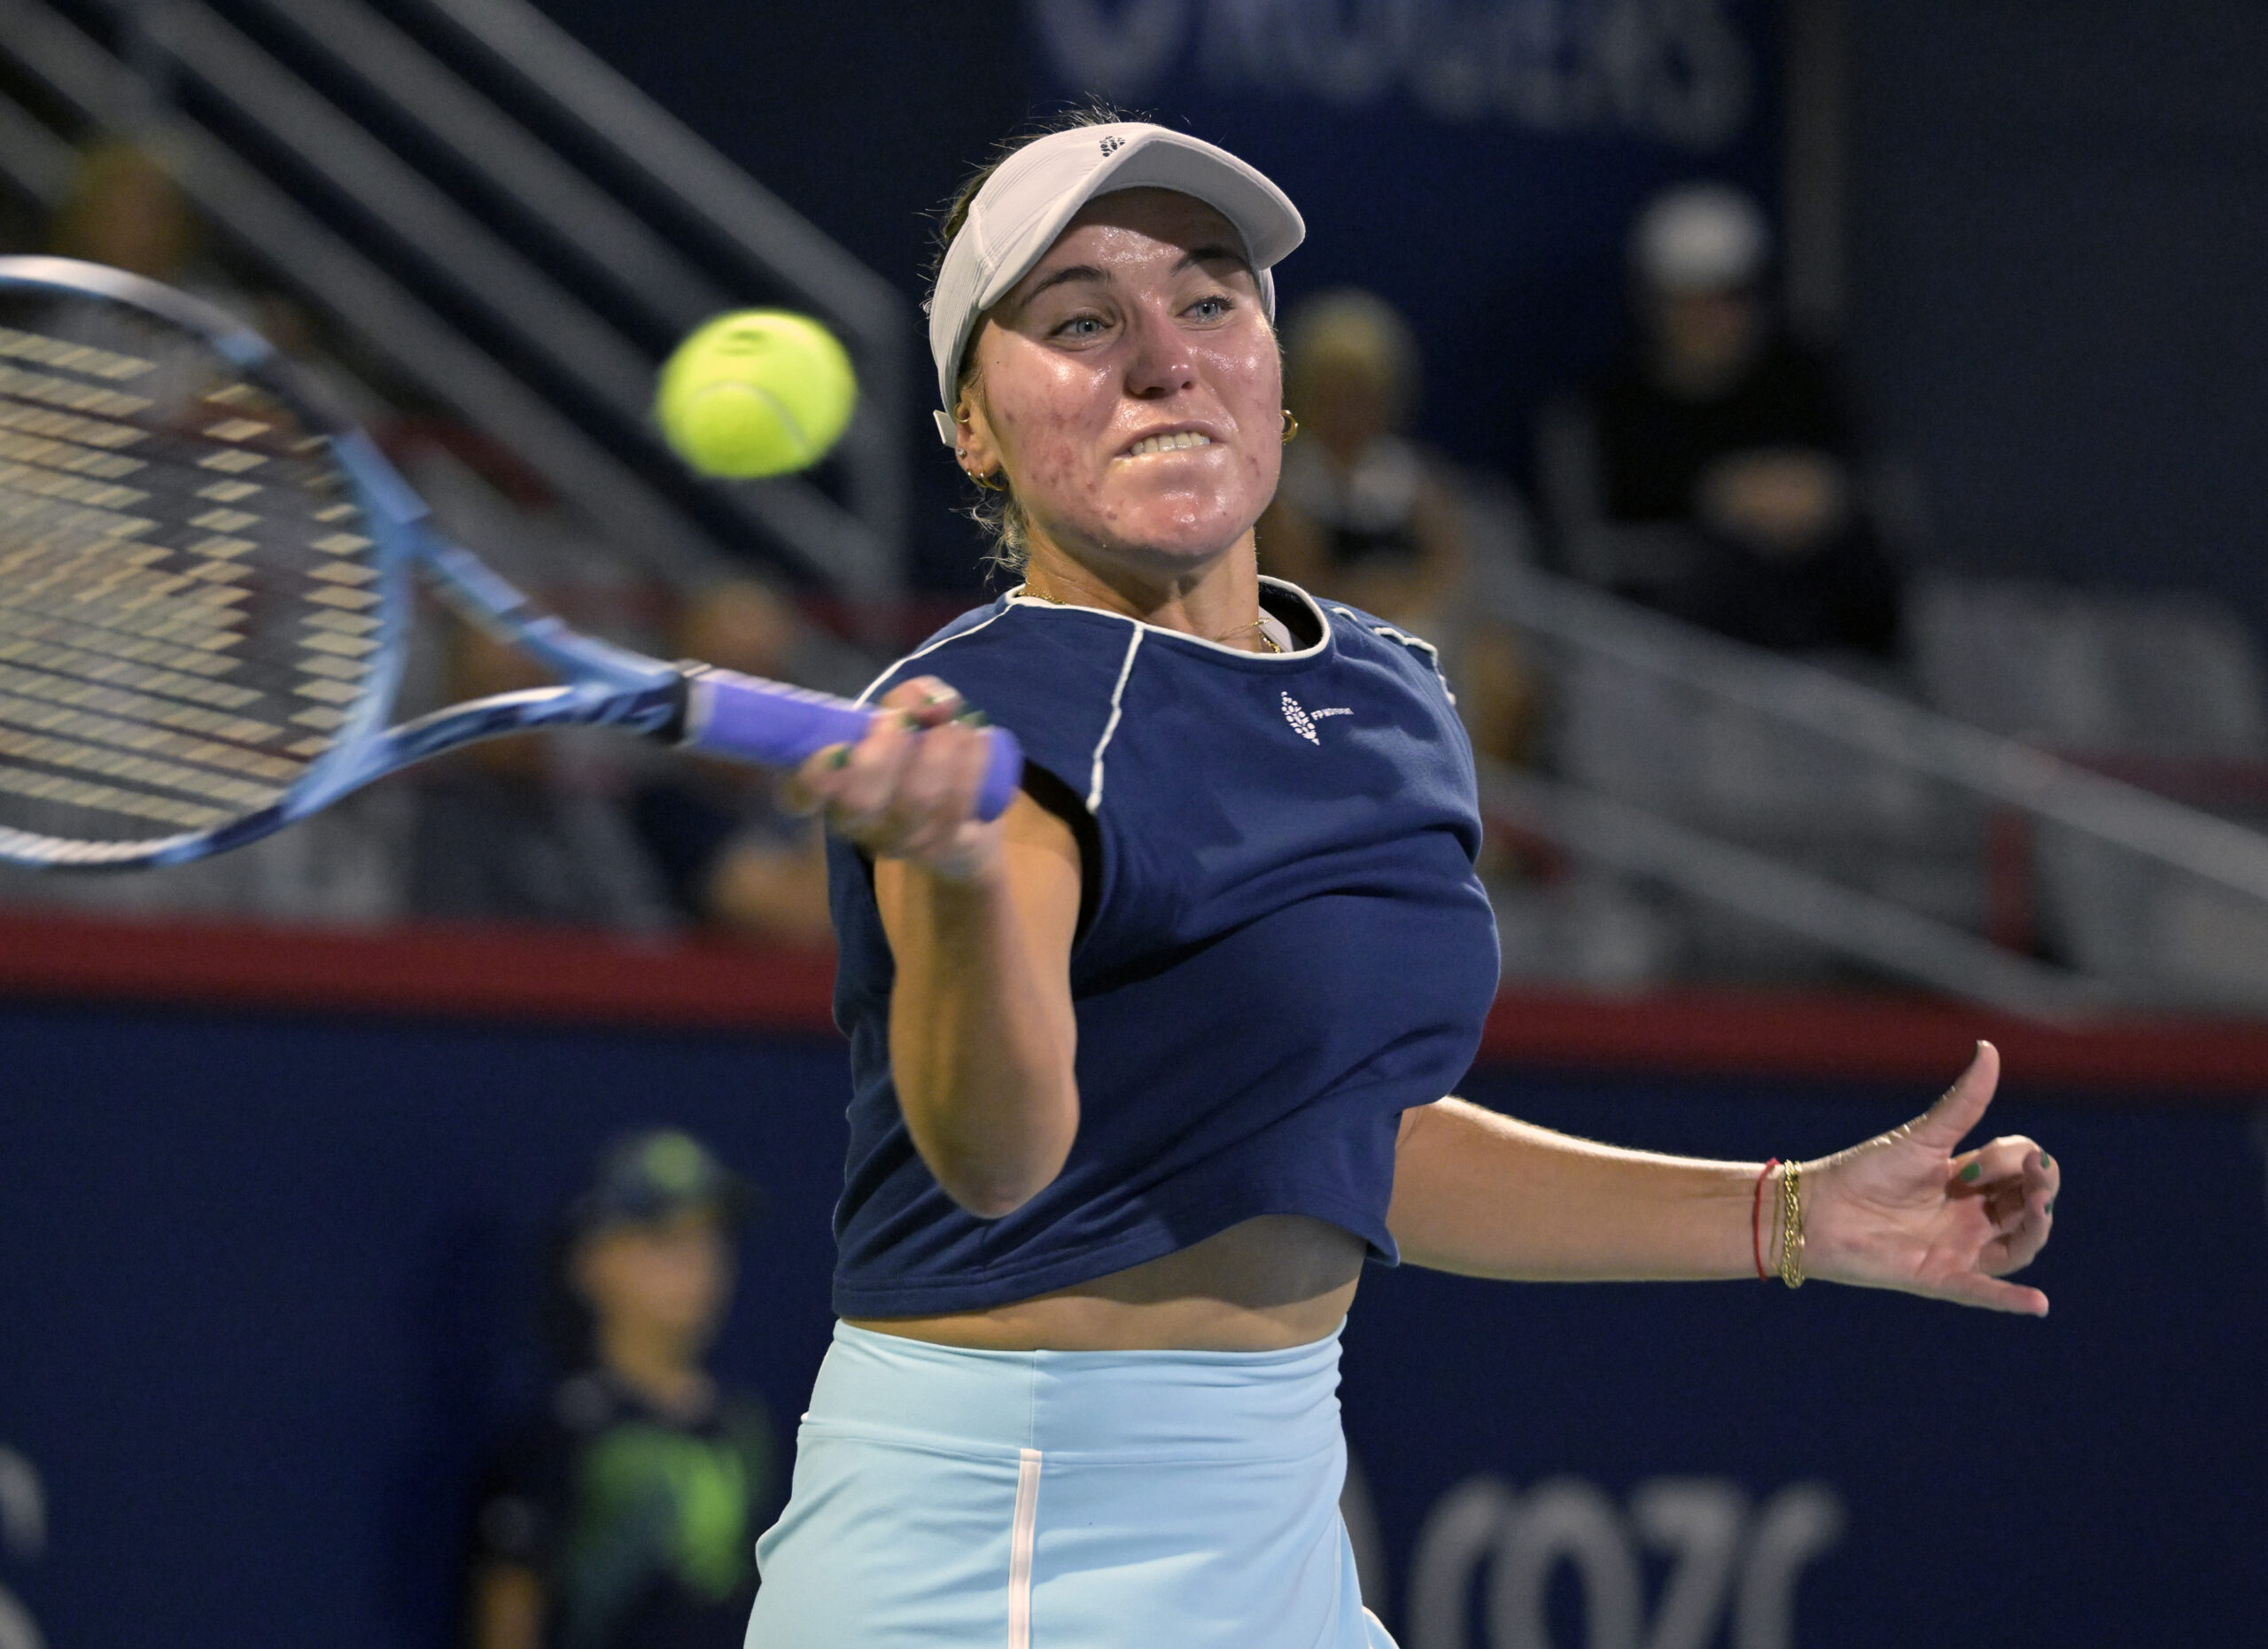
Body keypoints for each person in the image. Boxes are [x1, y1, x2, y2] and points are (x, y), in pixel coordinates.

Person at [749, 115, 2058, 1647]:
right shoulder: (1005, 715)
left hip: (1280, 1513)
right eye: (1083, 319)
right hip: (1014, 1538)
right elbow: (993, 1159)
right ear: (973, 424)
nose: (1164, 357)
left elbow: (1346, 1137)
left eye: (1211, 299)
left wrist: (1792, 1216)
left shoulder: (1386, 695)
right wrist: (963, 883)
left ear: (1278, 376)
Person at [1538, 183, 1902, 659]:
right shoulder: (1610, 412)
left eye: (1730, 299)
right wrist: (1718, 504)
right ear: (1655, 304)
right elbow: (1595, 549)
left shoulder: (1804, 382)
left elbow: (1866, 489)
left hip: (1823, 618)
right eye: (1692, 302)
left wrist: (1820, 495)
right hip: (1681, 639)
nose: (1715, 320)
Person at [470, 1132, 779, 1649]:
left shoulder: (743, 1424)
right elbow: (510, 1609)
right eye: (663, 1240)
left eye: (711, 1238)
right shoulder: (561, 1433)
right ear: (591, 1260)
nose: (696, 1264)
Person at [1258, 289, 1535, 764]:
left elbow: (1450, 562)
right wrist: (1368, 607)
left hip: (1417, 626)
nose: (1348, 412)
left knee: (1501, 674)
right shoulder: (1289, 485)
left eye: (1360, 396)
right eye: (1334, 396)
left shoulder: (1409, 476)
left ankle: (1479, 801)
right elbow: (1299, 579)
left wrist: (1412, 606)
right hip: (1330, 638)